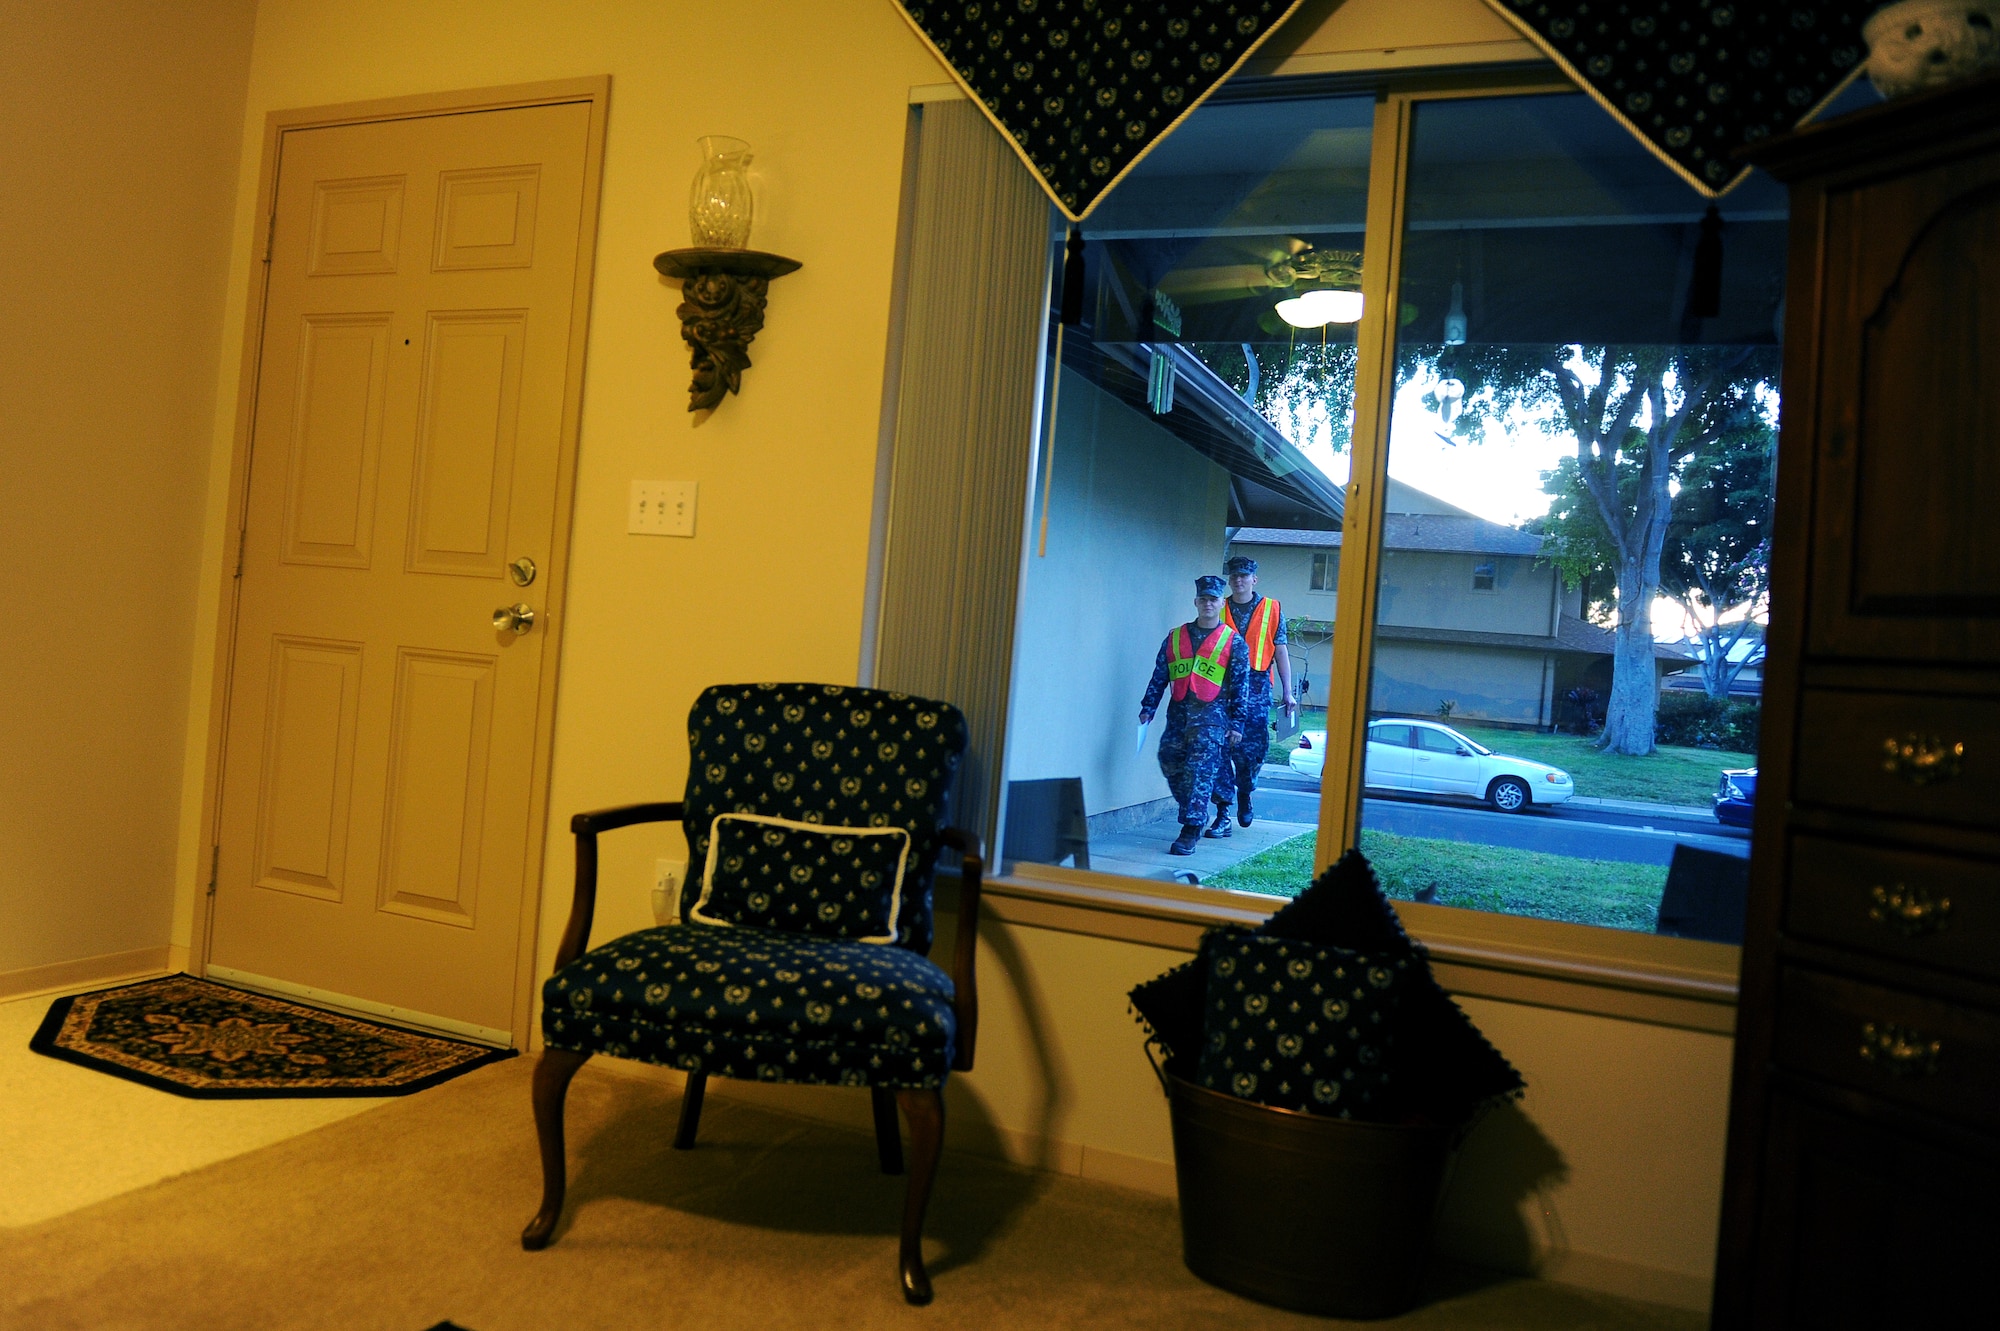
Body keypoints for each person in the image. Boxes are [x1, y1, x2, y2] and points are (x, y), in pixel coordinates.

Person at [1139, 575, 1248, 856]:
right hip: (1178, 715)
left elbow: (1240, 686)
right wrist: (1148, 707)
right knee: (1169, 760)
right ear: (1196, 602)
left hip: (1212, 718)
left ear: (1220, 603)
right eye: (1203, 599)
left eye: (1213, 599)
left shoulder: (1233, 642)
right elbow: (1160, 675)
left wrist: (1237, 723)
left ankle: (1191, 829)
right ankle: (1199, 807)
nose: (1208, 604)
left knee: (1199, 771)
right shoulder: (1175, 637)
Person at [1207, 555, 1297, 837]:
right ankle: (1222, 813)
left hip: (1258, 687)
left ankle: (1245, 791)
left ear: (1253, 579)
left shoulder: (1272, 608)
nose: (1238, 580)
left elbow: (1280, 650)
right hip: (1221, 687)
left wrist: (1288, 691)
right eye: (1234, 576)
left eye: (1244, 576)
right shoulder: (1219, 608)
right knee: (1219, 747)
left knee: (1251, 752)